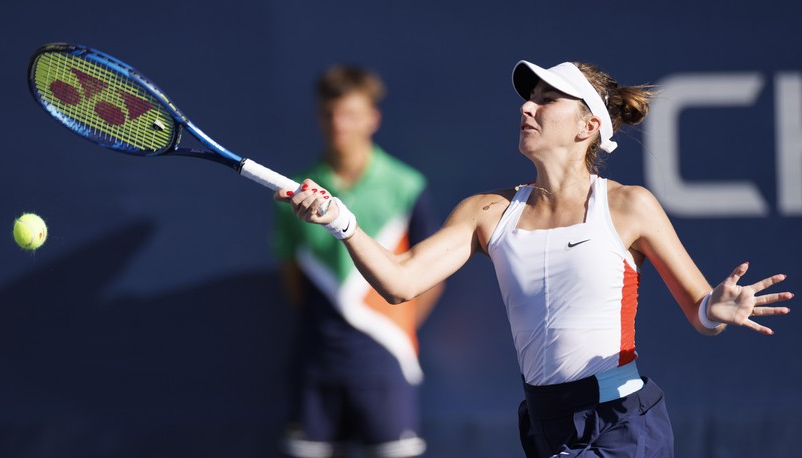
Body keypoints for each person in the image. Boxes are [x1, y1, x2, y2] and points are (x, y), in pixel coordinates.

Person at [277, 60, 794, 457]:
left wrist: (717, 309)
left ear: (587, 126)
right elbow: (399, 282)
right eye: (529, 99)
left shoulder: (629, 205)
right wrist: (342, 223)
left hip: (621, 422)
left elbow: (700, 311)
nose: (527, 107)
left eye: (547, 100)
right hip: (545, 423)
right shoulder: (485, 212)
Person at [273, 64, 444, 458]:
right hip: (314, 365)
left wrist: (391, 327)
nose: (338, 124)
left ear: (373, 118)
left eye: (350, 114)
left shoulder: (407, 186)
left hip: (386, 365)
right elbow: (291, 274)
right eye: (329, 113)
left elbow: (431, 276)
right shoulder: (292, 191)